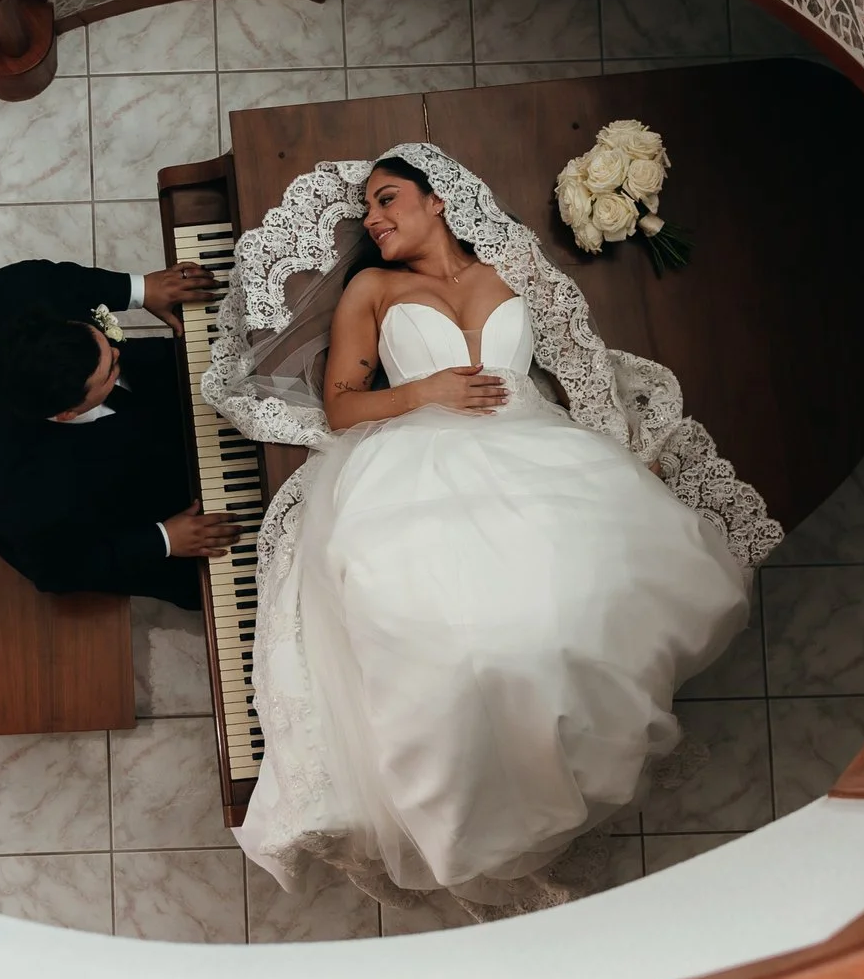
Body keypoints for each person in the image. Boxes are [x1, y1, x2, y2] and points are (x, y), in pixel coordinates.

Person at [222, 150, 763, 911]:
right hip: (419, 460)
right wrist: (424, 391)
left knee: (579, 615)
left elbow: (578, 361)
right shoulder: (374, 290)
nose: (373, 219)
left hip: (538, 450)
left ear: (438, 200)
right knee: (455, 641)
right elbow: (342, 406)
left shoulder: (513, 267)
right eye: (366, 208)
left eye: (386, 199)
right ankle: (475, 794)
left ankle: (563, 758)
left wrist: (618, 444)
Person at [0, 256, 236, 610]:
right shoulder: (22, 501)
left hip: (144, 391)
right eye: (110, 369)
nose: (117, 350)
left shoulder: (3, 297)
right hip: (107, 496)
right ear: (66, 413)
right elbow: (58, 572)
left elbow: (44, 280)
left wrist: (141, 289)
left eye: (105, 344)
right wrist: (164, 539)